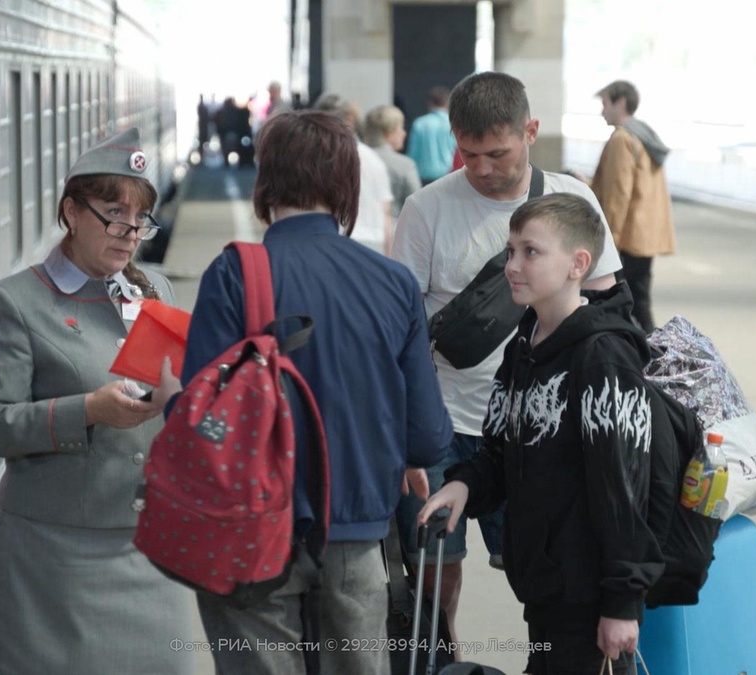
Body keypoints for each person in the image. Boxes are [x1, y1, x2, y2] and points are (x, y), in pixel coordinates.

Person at [180, 110, 453, 675]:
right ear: (346, 184)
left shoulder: (233, 275)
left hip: (251, 535)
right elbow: (427, 439)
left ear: (265, 183)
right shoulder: (393, 281)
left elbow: (198, 419)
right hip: (355, 535)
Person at [391, 70, 623, 650]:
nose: (482, 168)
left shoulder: (572, 200)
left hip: (538, 426)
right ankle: (443, 657)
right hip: (443, 421)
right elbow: (402, 326)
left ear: (530, 132)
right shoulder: (427, 208)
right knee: (435, 569)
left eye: (497, 153)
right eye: (469, 154)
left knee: (540, 571)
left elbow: (607, 306)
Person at [0, 128, 196, 675]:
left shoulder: (155, 290)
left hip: (153, 545)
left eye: (139, 220)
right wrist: (87, 411)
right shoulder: (14, 303)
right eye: (115, 216)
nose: (130, 234)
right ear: (71, 211)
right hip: (56, 557)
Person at [418, 193, 656, 674]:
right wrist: (465, 485)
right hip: (545, 588)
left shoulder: (603, 358)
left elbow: (624, 489)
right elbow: (500, 451)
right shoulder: (523, 347)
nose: (512, 266)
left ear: (578, 265)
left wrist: (621, 603)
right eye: (510, 251)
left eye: (531, 252)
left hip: (589, 599)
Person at [590, 80, 675, 333]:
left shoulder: (622, 139)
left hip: (627, 238)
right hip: (644, 234)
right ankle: (651, 349)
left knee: (627, 304)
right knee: (639, 300)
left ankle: (651, 351)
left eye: (605, 103)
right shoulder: (644, 135)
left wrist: (609, 242)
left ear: (621, 103)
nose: (602, 111)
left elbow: (618, 195)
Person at [313, 93, 394, 254]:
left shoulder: (320, 159)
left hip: (338, 240)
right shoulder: (373, 158)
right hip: (374, 242)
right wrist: (389, 255)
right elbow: (385, 212)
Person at [364, 104, 422, 218]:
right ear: (389, 133)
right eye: (401, 128)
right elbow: (417, 204)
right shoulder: (405, 165)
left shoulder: (355, 159)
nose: (404, 133)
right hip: (395, 225)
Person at [407, 85, 458, 185]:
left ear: (430, 103)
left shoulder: (419, 123)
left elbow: (413, 153)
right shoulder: (453, 124)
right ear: (447, 103)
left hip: (423, 177)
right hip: (448, 175)